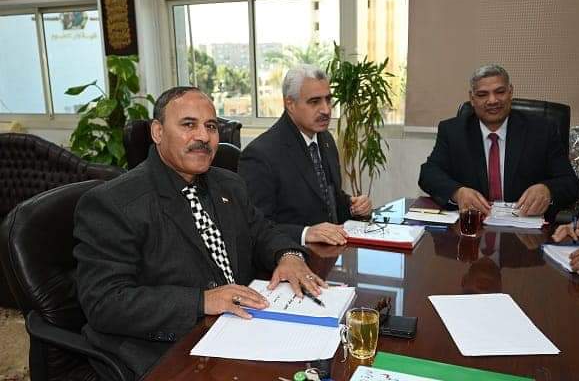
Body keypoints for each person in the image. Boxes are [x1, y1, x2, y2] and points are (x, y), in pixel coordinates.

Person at [74, 86, 325, 380]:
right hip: (167, 348)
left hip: (242, 328)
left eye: (211, 126)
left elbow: (262, 231)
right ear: (157, 132)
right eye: (188, 125)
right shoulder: (114, 203)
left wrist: (289, 255)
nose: (203, 137)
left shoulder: (229, 184)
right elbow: (104, 302)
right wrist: (202, 300)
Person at [418, 64, 579, 218]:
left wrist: (548, 190)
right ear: (472, 99)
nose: (492, 101)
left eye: (500, 92)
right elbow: (428, 173)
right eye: (482, 95)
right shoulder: (453, 131)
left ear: (510, 92)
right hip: (474, 225)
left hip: (526, 227)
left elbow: (571, 183)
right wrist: (457, 192)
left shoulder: (542, 130)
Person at [238, 65, 372, 246]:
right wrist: (305, 233)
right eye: (315, 102)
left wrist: (352, 206)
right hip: (292, 254)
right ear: (290, 104)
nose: (326, 110)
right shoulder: (260, 155)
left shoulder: (325, 139)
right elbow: (255, 226)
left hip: (333, 250)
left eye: (328, 99)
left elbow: (327, 198)